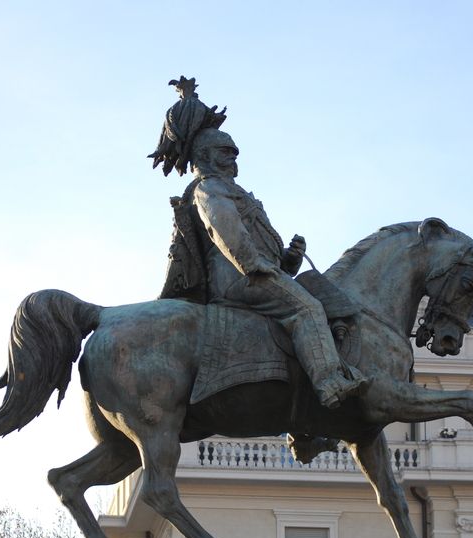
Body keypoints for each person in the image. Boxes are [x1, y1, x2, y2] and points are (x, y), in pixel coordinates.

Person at [149, 78, 367, 408]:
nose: (235, 158)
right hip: (239, 279)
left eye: (234, 152)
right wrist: (253, 265)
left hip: (256, 272)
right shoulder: (209, 188)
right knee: (307, 308)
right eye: (227, 152)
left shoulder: (233, 190)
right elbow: (225, 230)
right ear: (208, 156)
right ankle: (330, 382)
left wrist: (287, 259)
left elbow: (259, 243)